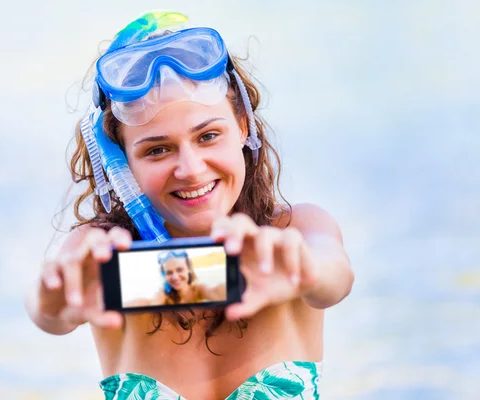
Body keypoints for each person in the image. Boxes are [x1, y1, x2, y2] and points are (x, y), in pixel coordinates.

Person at [25, 11, 354, 399]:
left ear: (242, 126)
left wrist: (306, 271)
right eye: (157, 149)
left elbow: (336, 277)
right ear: (123, 165)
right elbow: (49, 313)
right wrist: (55, 299)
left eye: (208, 135)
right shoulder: (104, 255)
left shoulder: (294, 234)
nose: (191, 169)